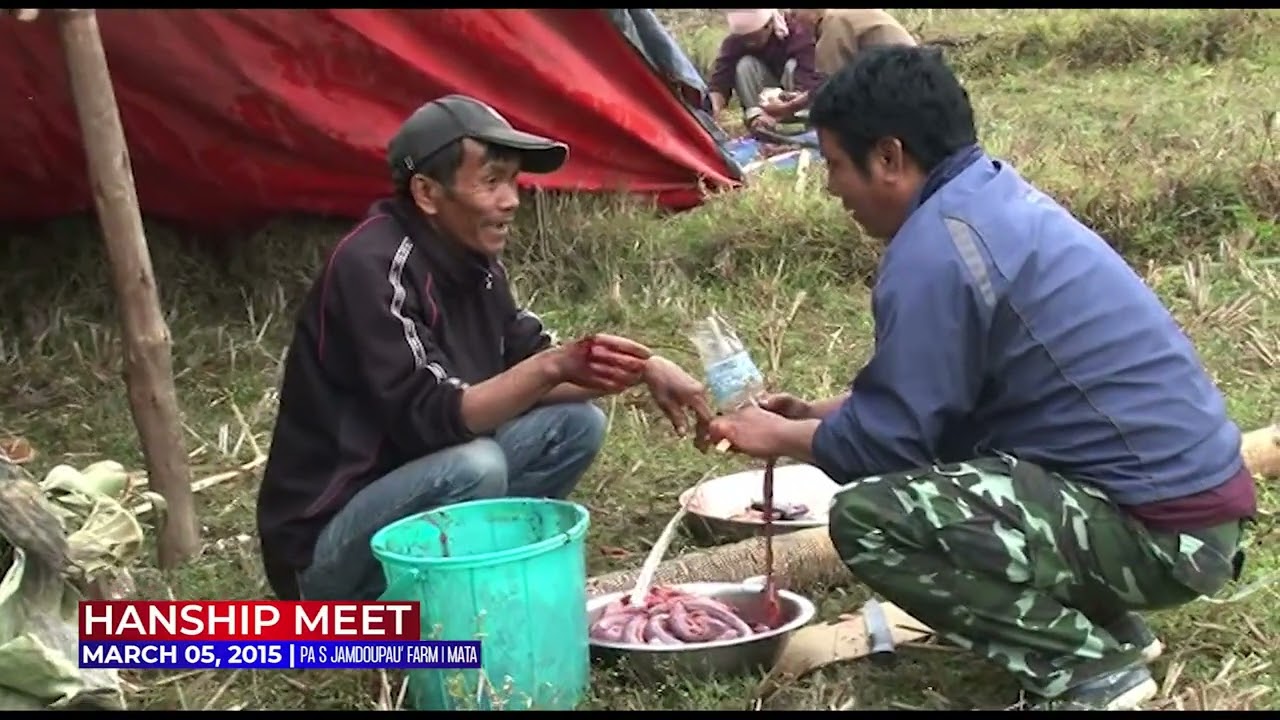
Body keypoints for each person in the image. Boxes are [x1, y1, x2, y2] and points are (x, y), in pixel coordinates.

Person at [704, 46, 1255, 711]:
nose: (830, 188)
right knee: (963, 467)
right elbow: (947, 395)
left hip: (1163, 536)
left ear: (888, 157)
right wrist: (815, 415)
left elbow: (887, 448)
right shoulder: (989, 198)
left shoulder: (935, 249)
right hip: (1193, 518)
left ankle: (1086, 668)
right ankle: (1109, 629)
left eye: (836, 165)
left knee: (869, 519)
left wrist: (780, 437)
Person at [257, 94, 712, 604]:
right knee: (475, 466)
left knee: (575, 425)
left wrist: (646, 367)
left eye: (513, 181)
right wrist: (552, 365)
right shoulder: (374, 267)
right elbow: (438, 416)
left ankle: (475, 573)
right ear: (428, 193)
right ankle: (397, 604)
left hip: (417, 483)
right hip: (326, 552)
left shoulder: (471, 258)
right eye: (491, 181)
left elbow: (527, 362)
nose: (512, 200)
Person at [707, 9, 824, 133]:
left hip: (797, 98)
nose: (750, 43)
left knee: (792, 66)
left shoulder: (796, 32)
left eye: (754, 37)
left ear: (769, 25)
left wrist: (788, 105)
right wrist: (716, 110)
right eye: (745, 39)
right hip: (765, 100)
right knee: (745, 65)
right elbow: (719, 80)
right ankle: (759, 121)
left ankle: (802, 123)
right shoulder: (734, 42)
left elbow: (811, 81)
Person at [790, 9, 918, 76]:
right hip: (913, 73)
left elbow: (829, 84)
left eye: (795, 15)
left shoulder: (834, 21)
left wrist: (792, 106)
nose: (794, 22)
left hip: (901, 78)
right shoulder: (844, 14)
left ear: (813, 14)